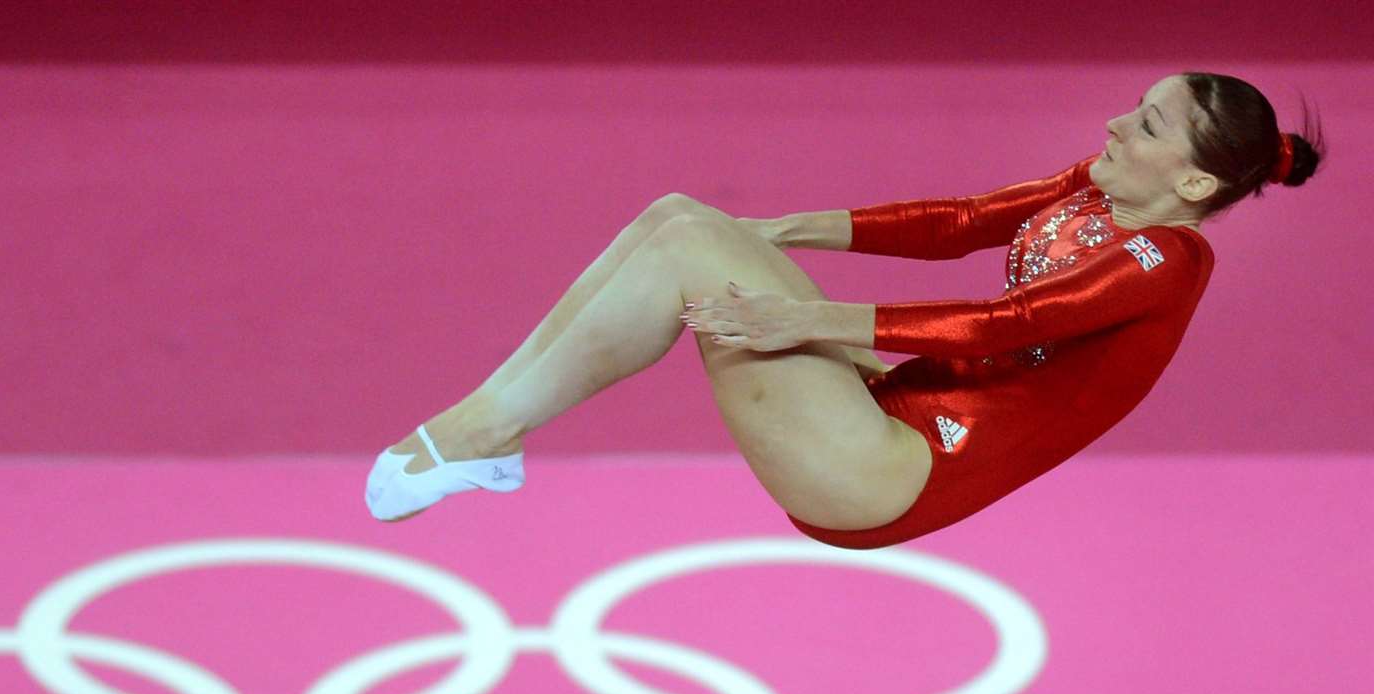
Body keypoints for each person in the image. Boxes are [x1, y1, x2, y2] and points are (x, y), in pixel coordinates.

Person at [363, 72, 1325, 548]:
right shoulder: (1096, 188)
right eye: (1135, 104)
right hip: (894, 404)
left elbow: (1005, 328)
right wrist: (784, 228)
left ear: (1195, 180)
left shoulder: (1166, 259)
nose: (1116, 121)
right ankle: (484, 435)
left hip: (894, 474)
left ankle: (479, 435)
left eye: (1148, 124)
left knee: (692, 244)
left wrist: (809, 323)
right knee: (682, 220)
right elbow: (958, 223)